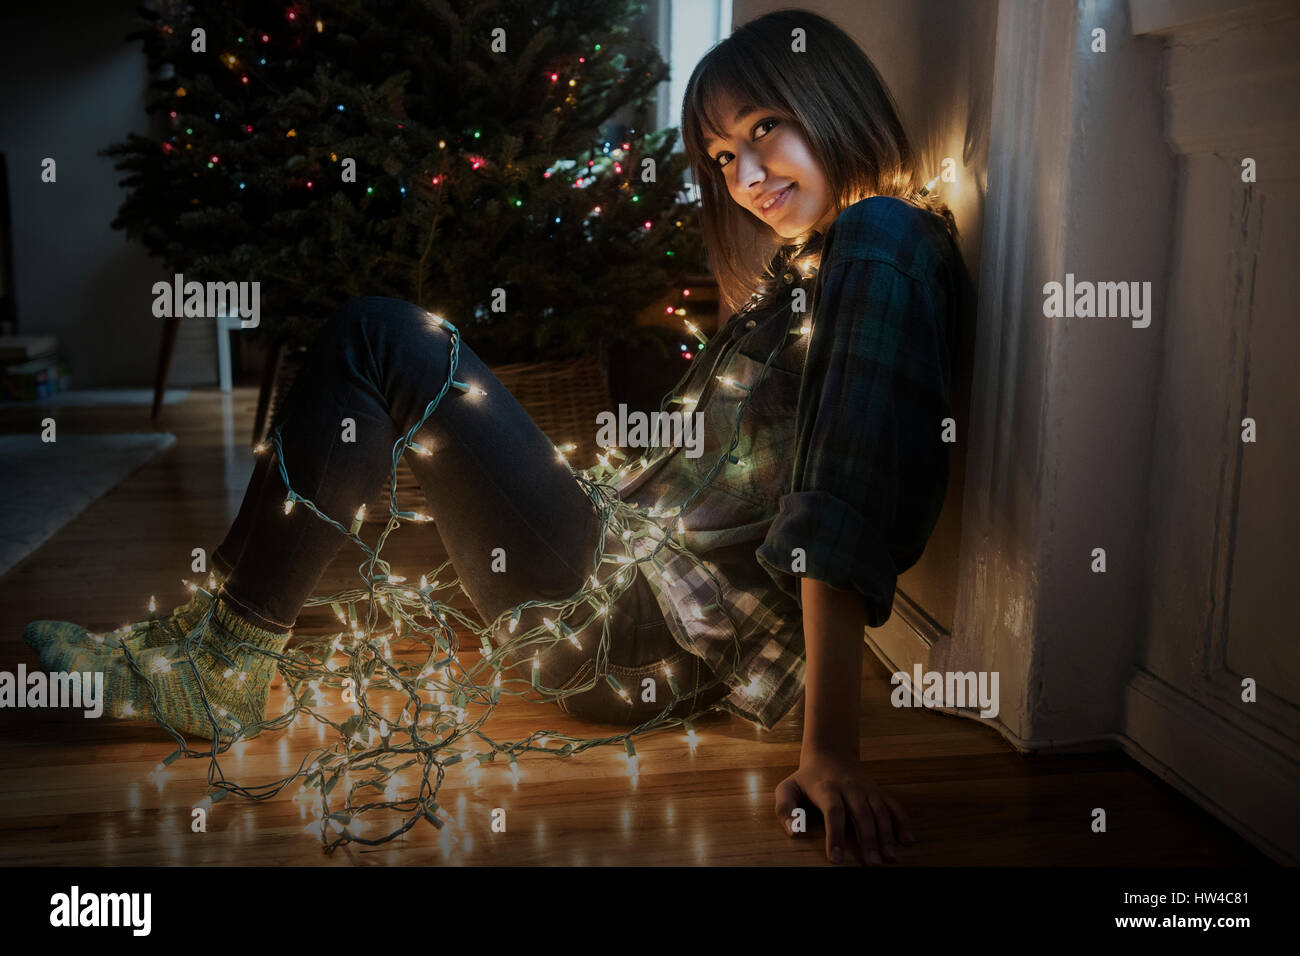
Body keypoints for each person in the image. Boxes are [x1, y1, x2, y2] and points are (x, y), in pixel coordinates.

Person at [26, 8, 964, 867]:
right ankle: (204, 642)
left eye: (763, 128)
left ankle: (219, 661)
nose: (745, 175)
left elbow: (841, 500)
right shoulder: (818, 267)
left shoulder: (881, 241)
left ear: (830, 98)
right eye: (720, 155)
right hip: (619, 580)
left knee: (383, 337)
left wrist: (832, 752)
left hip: (629, 632)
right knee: (348, 555)